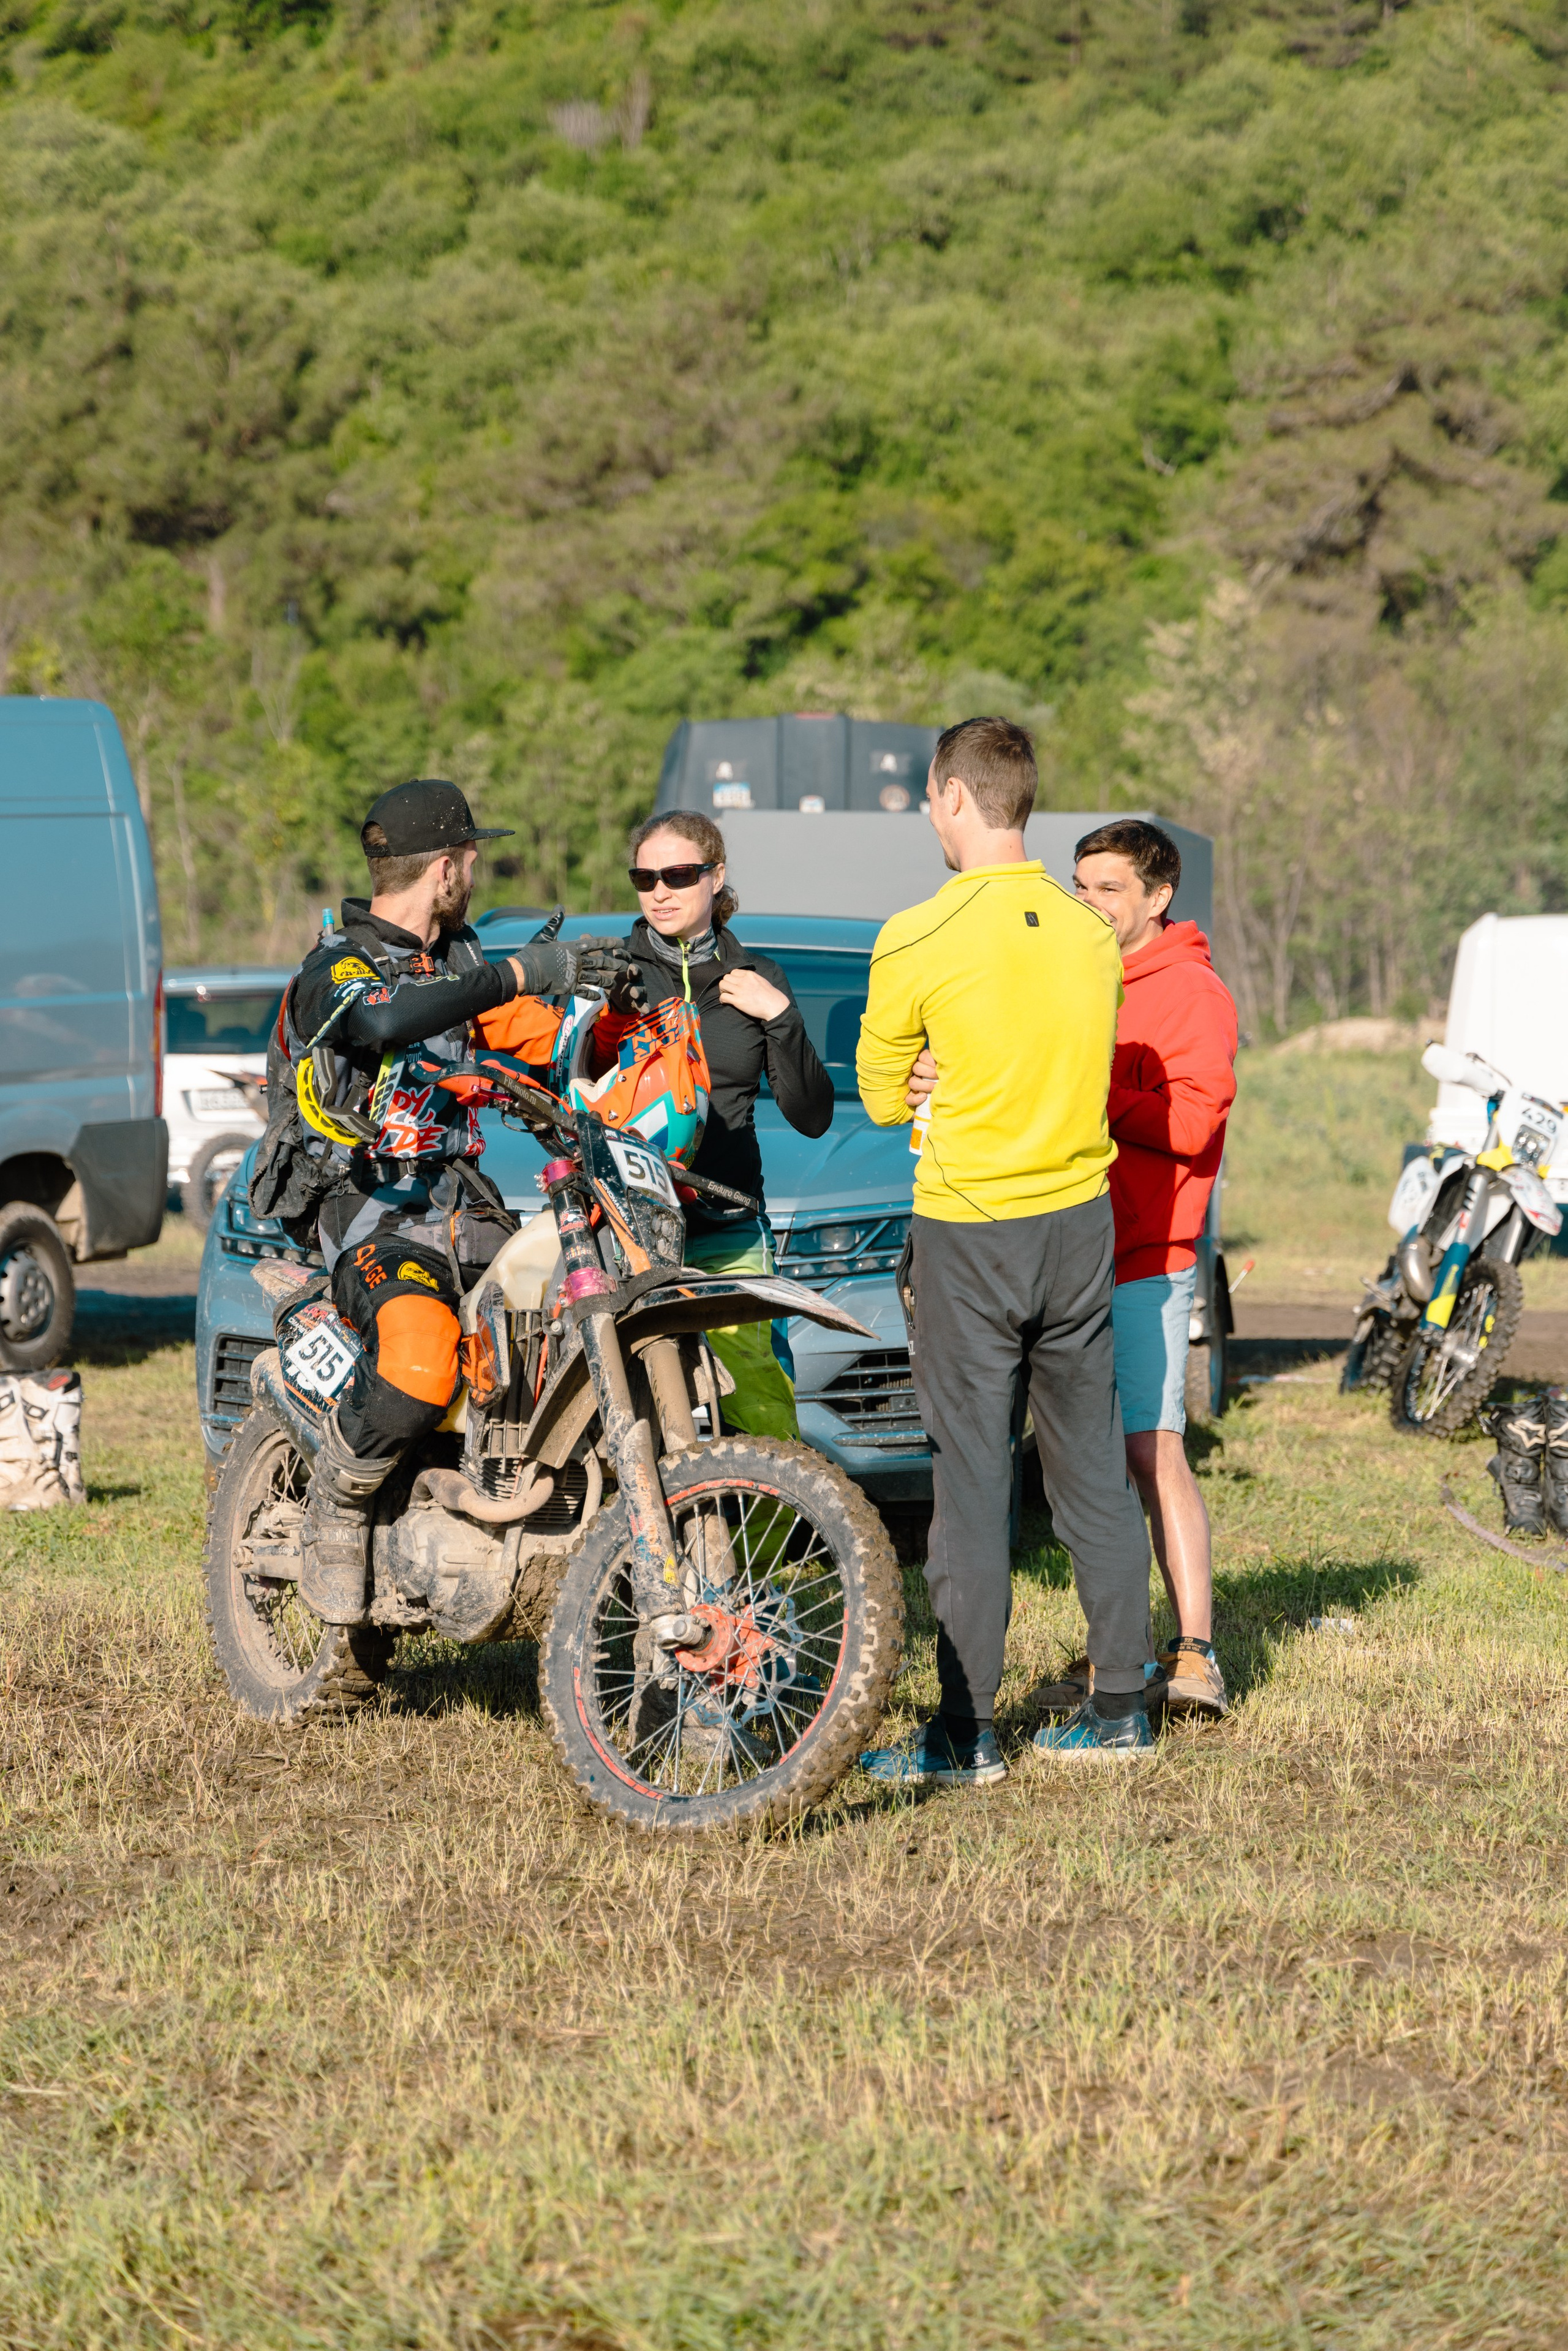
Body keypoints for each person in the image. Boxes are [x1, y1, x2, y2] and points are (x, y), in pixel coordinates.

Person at [251, 778, 636, 1625]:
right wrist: (515, 970)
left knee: (574, 1311)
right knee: (422, 1349)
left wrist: (614, 1010)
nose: (477, 873)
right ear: (449, 866)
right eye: (474, 858)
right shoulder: (335, 967)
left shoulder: (459, 964)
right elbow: (385, 1023)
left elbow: (552, 1042)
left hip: (471, 1209)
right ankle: (339, 1508)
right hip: (372, 1213)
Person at [854, 717, 1157, 1783]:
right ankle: (1123, 1702)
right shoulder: (1088, 933)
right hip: (1080, 1222)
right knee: (1091, 1477)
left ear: (952, 797)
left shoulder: (918, 935)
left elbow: (886, 1095)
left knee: (974, 1484)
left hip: (971, 1231)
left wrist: (934, 1070)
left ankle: (967, 1730)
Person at [587, 809, 834, 1436]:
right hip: (624, 1232)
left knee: (759, 1406)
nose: (660, 891)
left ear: (716, 876)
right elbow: (574, 1092)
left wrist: (780, 1016)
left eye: (677, 874)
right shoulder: (616, 978)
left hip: (727, 1227)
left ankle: (772, 1536)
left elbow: (811, 1116)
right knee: (631, 1411)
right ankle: (652, 1536)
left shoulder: (758, 978)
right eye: (645, 878)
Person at [1066, 819, 1238, 1716]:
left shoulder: (1193, 992)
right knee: (1087, 1461)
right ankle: (1116, 1652)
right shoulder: (1080, 977)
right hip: (1068, 1248)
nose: (1089, 901)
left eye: (1108, 888)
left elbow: (1192, 1125)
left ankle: (1197, 1653)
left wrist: (1087, 1084)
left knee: (1151, 1447)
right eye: (1082, 884)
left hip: (1149, 1252)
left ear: (1158, 895)